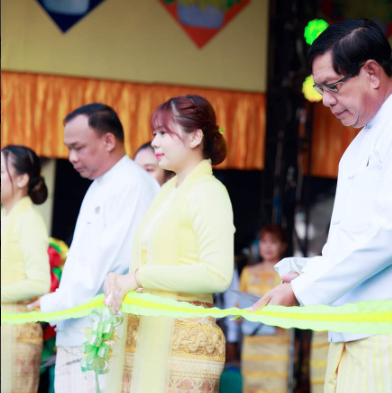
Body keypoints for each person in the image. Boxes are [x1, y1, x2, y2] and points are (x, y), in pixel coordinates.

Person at [252, 19, 392, 393]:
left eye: (332, 87)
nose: (327, 100)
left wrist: (303, 291)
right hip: (357, 327)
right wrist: (311, 272)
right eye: (320, 91)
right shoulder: (366, 137)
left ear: (371, 72)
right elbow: (361, 238)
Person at [104, 95, 235, 393]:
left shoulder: (209, 192)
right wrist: (122, 280)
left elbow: (217, 275)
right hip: (147, 333)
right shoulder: (166, 193)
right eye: (154, 134)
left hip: (184, 343)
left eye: (164, 133)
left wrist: (138, 278)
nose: (155, 142)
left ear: (195, 136)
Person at [33, 104, 159, 393]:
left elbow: (106, 268)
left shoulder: (131, 184)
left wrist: (51, 304)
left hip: (99, 334)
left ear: (108, 140)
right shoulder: (102, 183)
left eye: (78, 147)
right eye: (69, 148)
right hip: (80, 327)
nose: (71, 158)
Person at [1, 146, 51, 393]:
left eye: (1, 172)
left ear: (21, 179)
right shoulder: (6, 217)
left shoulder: (28, 219)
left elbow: (39, 283)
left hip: (17, 336)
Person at [239, 224, 290, 393]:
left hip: (277, 342)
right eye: (263, 241)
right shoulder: (247, 272)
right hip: (252, 342)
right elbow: (238, 308)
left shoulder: (289, 273)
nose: (267, 246)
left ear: (283, 246)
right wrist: (240, 314)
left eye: (273, 242)